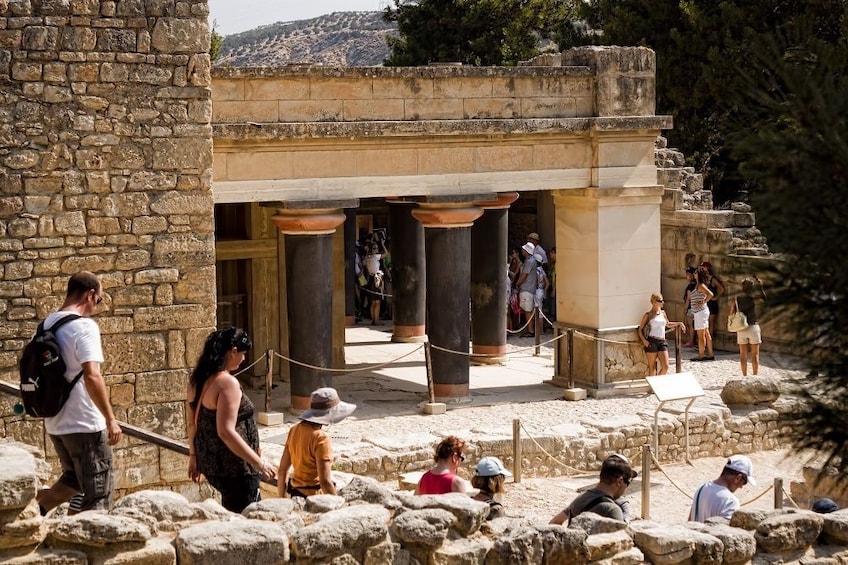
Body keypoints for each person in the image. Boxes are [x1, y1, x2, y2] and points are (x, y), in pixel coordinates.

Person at [36, 272, 122, 515]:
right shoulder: (84, 327)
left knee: (73, 481)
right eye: (100, 300)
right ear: (90, 295)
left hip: (56, 422)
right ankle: (84, 547)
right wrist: (110, 419)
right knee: (98, 496)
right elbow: (92, 375)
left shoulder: (45, 325)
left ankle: (31, 511)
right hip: (84, 424)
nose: (97, 306)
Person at [187, 328, 276, 513]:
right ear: (233, 351)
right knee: (246, 517)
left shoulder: (197, 380)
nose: (244, 359)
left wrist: (193, 458)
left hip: (210, 461)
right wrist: (260, 465)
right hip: (235, 468)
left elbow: (191, 423)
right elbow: (225, 431)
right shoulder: (227, 383)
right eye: (243, 354)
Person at [277, 387, 356, 498]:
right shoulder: (321, 438)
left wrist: (281, 499)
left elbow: (282, 471)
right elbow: (325, 482)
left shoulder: (294, 430)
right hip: (314, 498)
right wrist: (338, 505)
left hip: (295, 495)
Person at [550, 455, 637, 524]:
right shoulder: (612, 510)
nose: (626, 487)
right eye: (628, 483)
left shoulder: (581, 499)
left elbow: (554, 522)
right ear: (619, 481)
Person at [689, 455, 756, 522]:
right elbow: (726, 531)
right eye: (744, 482)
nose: (741, 487)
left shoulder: (702, 488)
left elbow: (690, 521)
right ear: (738, 478)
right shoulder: (731, 502)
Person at [638, 293, 686, 375]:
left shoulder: (663, 313)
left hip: (662, 341)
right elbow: (640, 329)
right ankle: (653, 384)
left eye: (662, 300)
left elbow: (667, 324)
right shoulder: (648, 315)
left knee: (666, 366)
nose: (662, 302)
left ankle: (658, 381)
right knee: (652, 366)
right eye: (660, 301)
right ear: (654, 302)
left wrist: (679, 323)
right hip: (652, 341)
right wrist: (644, 341)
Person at [731, 277, 766, 376]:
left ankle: (744, 375)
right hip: (753, 327)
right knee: (755, 354)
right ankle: (755, 375)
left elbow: (732, 311)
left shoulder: (737, 299)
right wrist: (761, 287)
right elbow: (764, 298)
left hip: (741, 328)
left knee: (743, 355)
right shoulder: (753, 298)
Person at [686, 267, 715, 361]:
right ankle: (710, 353)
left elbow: (710, 294)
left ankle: (701, 355)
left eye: (695, 273)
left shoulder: (701, 286)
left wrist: (703, 301)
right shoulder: (698, 285)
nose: (694, 274)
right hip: (700, 312)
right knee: (706, 333)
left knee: (701, 334)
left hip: (700, 312)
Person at [514, 242, 538, 338]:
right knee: (528, 310)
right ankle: (529, 329)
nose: (522, 250)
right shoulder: (531, 260)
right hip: (530, 288)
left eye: (524, 249)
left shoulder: (529, 261)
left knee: (528, 310)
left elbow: (524, 275)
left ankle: (530, 330)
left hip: (527, 288)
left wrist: (517, 283)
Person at [700, 262, 726, 337]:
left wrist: (716, 297)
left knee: (710, 323)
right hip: (704, 303)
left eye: (703, 267)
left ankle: (709, 341)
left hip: (711, 304)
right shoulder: (702, 279)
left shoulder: (713, 279)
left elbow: (722, 289)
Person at [682, 267, 697, 348]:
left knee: (690, 325)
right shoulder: (697, 284)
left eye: (688, 274)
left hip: (691, 308)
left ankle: (691, 341)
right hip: (696, 308)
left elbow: (688, 298)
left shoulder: (691, 286)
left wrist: (685, 309)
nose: (686, 276)